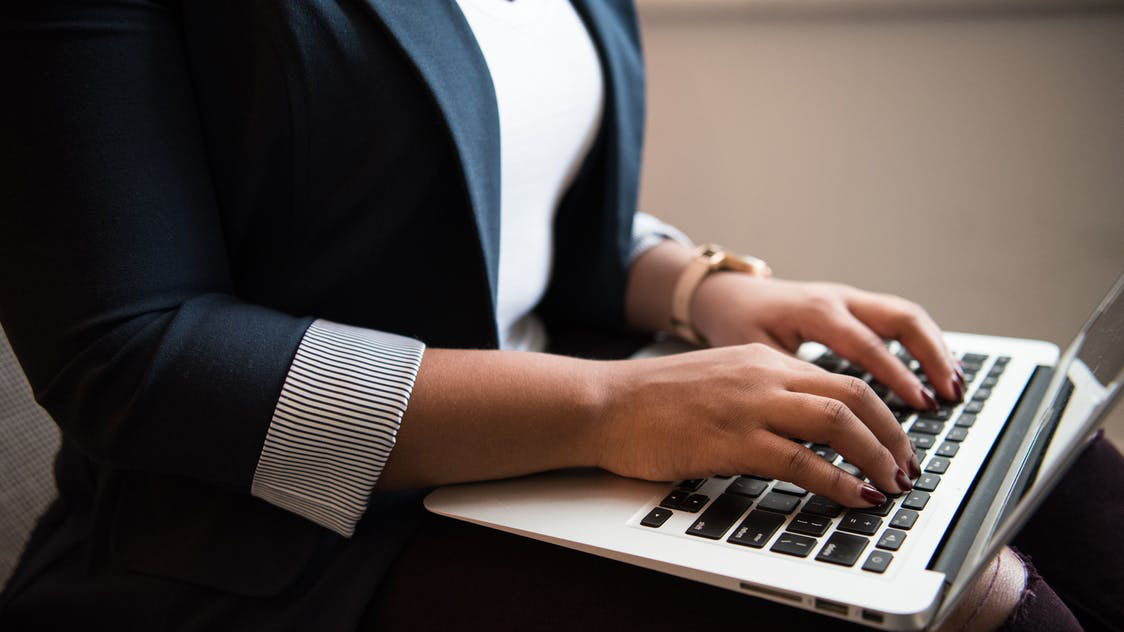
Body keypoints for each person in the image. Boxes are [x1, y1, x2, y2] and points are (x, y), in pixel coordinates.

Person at [0, 2, 1119, 630]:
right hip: (270, 542)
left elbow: (497, 190)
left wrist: (702, 287)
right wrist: (606, 403)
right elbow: (129, 352)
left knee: (1066, 479)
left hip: (557, 459)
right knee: (984, 612)